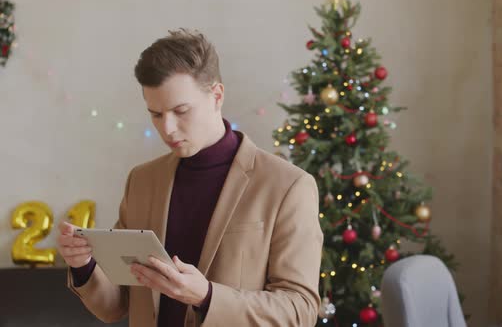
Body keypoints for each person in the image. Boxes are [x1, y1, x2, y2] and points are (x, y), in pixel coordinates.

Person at [57, 29, 323, 327]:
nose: (167, 128)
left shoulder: (287, 185)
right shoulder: (142, 181)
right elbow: (115, 305)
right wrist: (84, 267)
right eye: (156, 114)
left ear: (217, 96)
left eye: (180, 111)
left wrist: (207, 297)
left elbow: (301, 311)